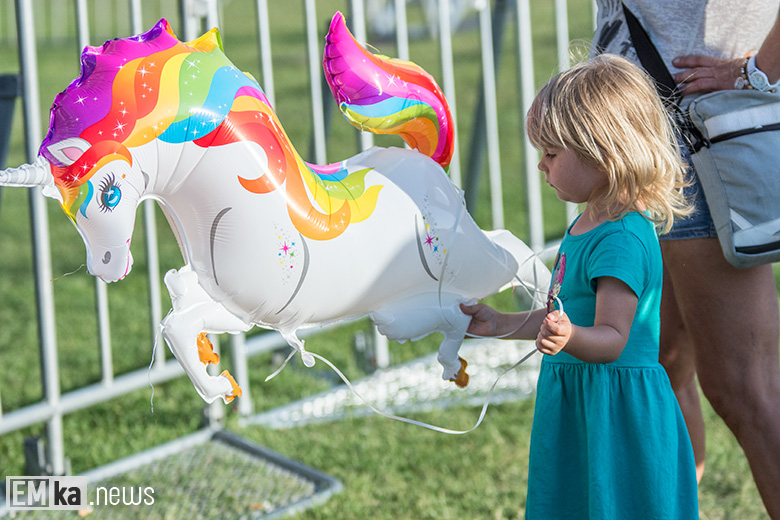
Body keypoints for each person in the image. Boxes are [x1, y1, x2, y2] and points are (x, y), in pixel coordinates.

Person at [461, 54, 698, 519]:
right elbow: (563, 312)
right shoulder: (586, 223)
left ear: (603, 152)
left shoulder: (622, 240)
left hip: (616, 411)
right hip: (581, 397)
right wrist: (501, 323)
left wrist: (567, 337)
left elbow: (611, 338)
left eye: (551, 154)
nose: (540, 167)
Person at [593, 3, 780, 517]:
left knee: (747, 391)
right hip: (640, 149)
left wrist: (757, 71)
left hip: (696, 144)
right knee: (661, 368)